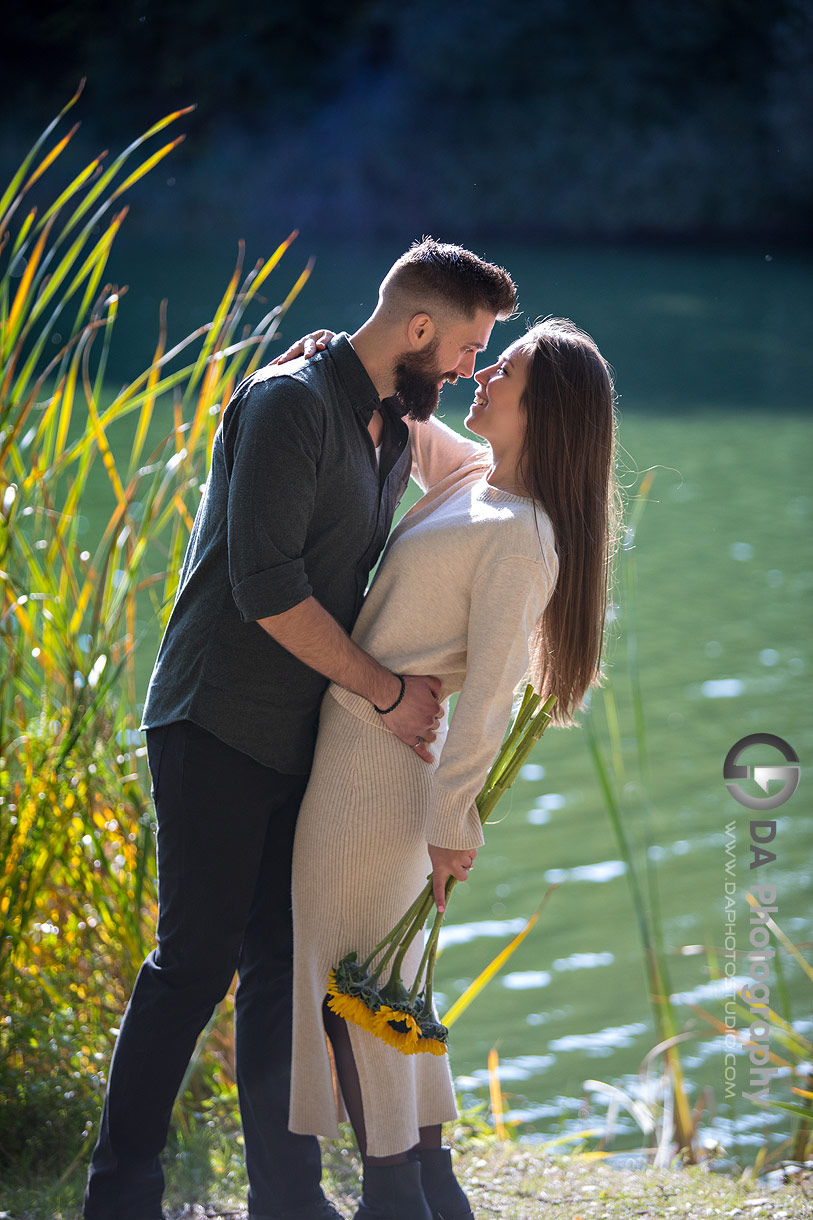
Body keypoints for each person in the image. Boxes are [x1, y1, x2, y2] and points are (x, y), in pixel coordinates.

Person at [82, 239, 518, 1220]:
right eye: (465, 345)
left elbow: (495, 466)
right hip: (214, 721)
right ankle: (119, 1193)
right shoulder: (289, 403)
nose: (464, 367)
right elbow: (267, 589)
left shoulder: (398, 421)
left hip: (299, 738)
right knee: (192, 960)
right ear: (418, 328)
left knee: (282, 971)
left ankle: (288, 1196)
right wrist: (388, 693)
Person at [280, 318, 619, 1219]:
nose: (483, 374)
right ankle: (427, 1185)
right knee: (377, 986)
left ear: (544, 410)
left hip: (381, 782)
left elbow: (490, 698)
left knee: (344, 987)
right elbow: (390, 396)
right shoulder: (473, 478)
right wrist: (343, 356)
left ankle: (392, 1194)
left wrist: (449, 826)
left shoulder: (523, 533)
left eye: (501, 369)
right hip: (363, 754)